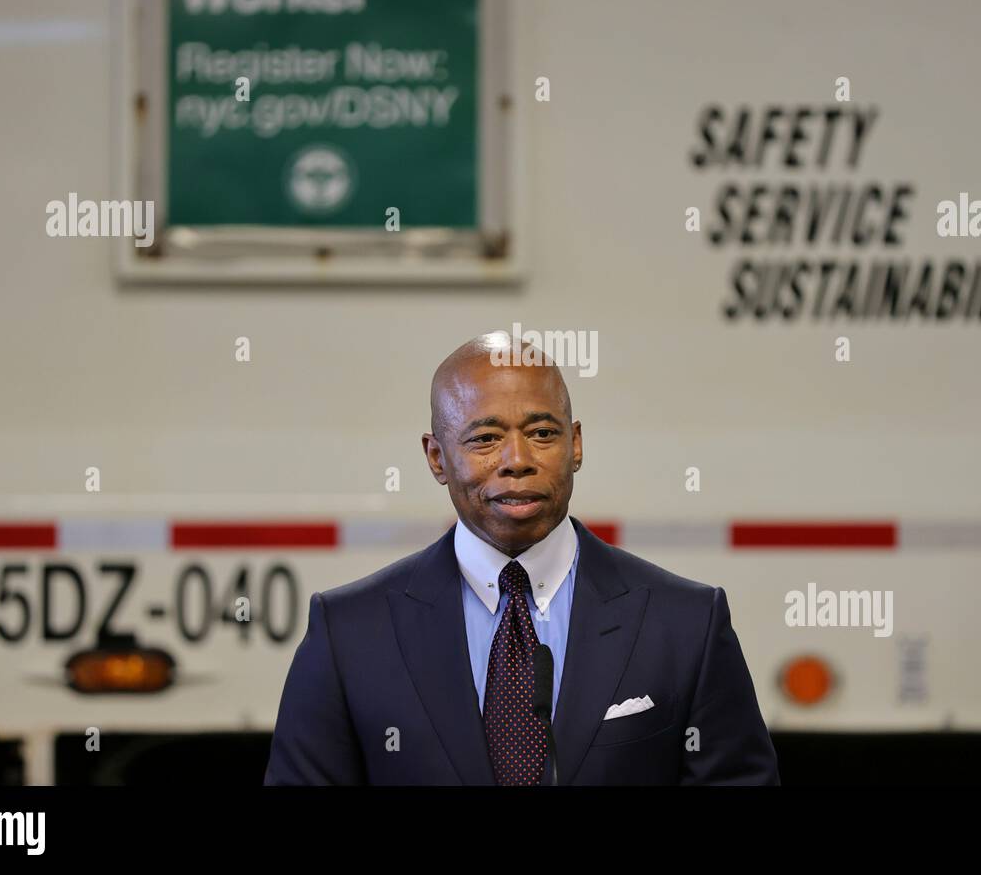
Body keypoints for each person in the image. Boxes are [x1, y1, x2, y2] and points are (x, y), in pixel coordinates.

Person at [264, 333, 779, 784]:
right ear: (437, 458)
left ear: (575, 445)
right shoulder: (349, 632)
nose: (517, 461)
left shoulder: (686, 623)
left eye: (542, 434)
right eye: (485, 439)